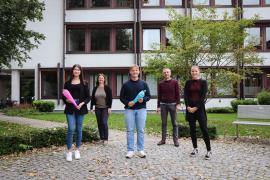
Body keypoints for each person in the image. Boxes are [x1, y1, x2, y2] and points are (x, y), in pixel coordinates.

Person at [120, 65, 151, 159]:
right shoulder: (126, 84)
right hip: (129, 110)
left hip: (141, 109)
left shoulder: (143, 83)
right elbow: (121, 97)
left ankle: (140, 150)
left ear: (139, 72)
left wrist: (144, 99)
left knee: (141, 130)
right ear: (130, 72)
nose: (135, 72)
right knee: (130, 130)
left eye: (136, 70)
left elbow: (148, 96)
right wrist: (127, 102)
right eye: (133, 70)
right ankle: (130, 150)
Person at [62, 64, 90, 162]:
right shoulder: (67, 83)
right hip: (70, 108)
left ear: (80, 71)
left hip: (80, 108)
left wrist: (82, 103)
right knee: (71, 128)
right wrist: (67, 100)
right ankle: (69, 151)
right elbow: (64, 96)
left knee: (79, 129)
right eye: (75, 69)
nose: (76, 71)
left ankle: (77, 150)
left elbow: (88, 97)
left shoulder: (85, 83)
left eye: (78, 70)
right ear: (72, 71)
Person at [184, 65, 212, 160]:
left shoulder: (204, 82)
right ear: (190, 72)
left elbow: (203, 97)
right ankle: (195, 148)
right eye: (192, 71)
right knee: (192, 130)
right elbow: (185, 95)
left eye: (195, 71)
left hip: (199, 109)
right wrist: (188, 106)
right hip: (189, 109)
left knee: (204, 129)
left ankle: (209, 150)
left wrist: (195, 107)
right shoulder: (188, 82)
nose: (194, 72)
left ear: (199, 71)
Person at [157, 68, 180, 147]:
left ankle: (175, 140)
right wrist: (158, 106)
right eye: (165, 72)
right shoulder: (160, 83)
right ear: (163, 74)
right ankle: (163, 140)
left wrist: (178, 104)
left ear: (170, 73)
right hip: (163, 105)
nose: (166, 73)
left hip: (173, 105)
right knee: (164, 123)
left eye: (167, 72)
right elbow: (159, 96)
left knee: (175, 123)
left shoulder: (175, 82)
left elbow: (178, 94)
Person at [90, 73, 112, 145]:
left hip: (105, 108)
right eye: (99, 78)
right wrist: (91, 108)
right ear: (98, 79)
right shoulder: (95, 88)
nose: (101, 79)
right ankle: (101, 138)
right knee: (99, 124)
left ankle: (106, 138)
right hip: (97, 108)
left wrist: (109, 108)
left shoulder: (107, 88)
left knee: (104, 122)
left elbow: (110, 98)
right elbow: (92, 98)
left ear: (104, 79)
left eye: (102, 78)